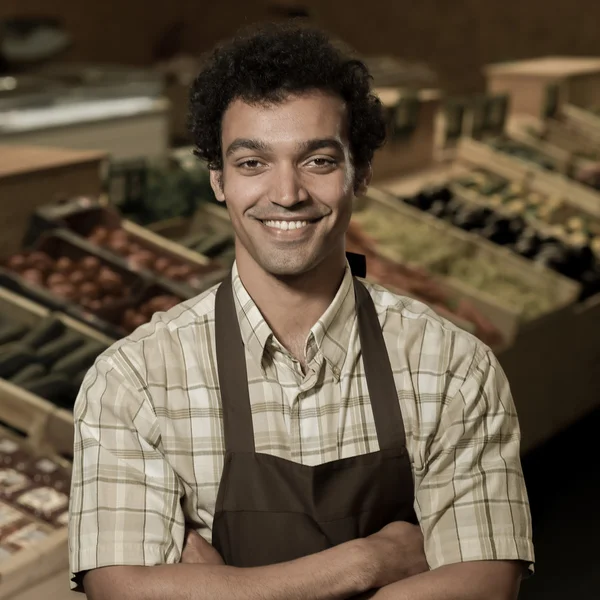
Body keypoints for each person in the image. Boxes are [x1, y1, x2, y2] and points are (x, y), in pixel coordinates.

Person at [68, 22, 534, 600]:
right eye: (252, 163)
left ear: (358, 172)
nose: (285, 193)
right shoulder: (133, 379)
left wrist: (222, 587)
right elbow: (120, 590)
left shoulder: (454, 367)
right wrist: (370, 561)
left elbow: (485, 584)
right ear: (217, 179)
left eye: (316, 161)